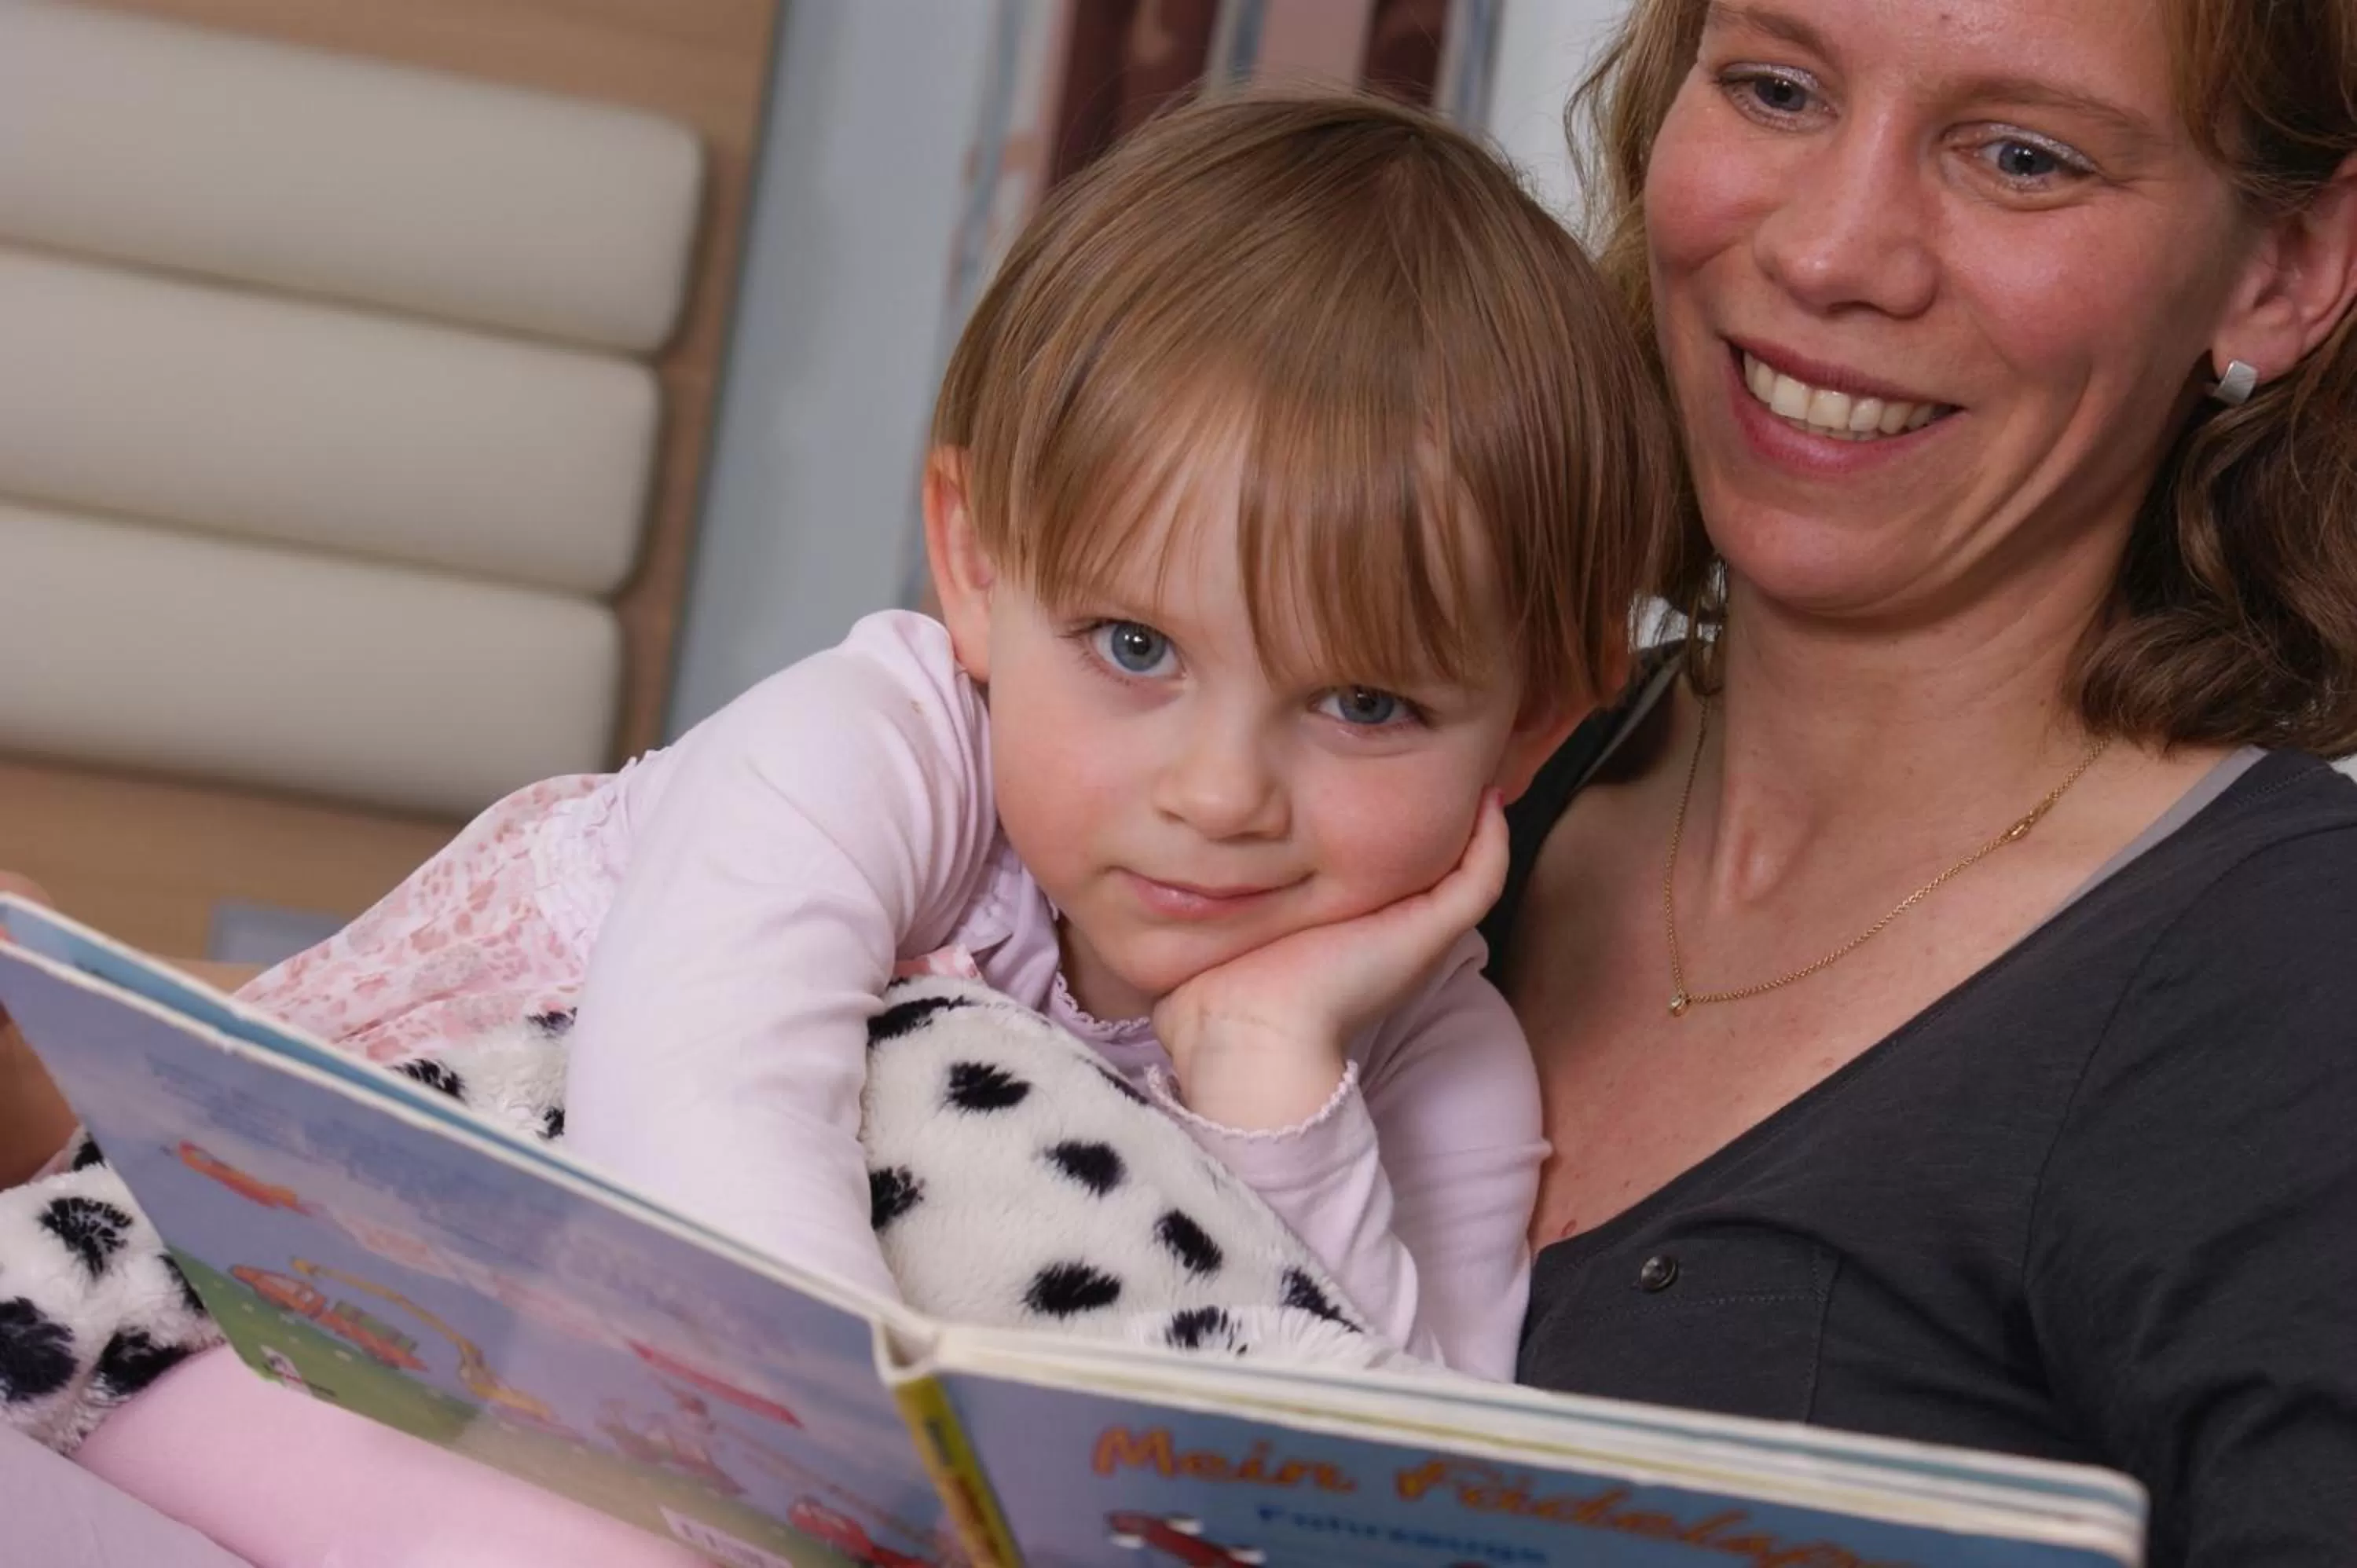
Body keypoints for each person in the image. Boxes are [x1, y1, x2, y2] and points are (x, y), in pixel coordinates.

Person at [5, 90, 1673, 1566]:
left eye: (1365, 705)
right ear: (976, 560)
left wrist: (1272, 1071)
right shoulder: (875, 743)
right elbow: (704, 1127)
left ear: (1532, 719)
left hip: (612, 1443)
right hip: (253, 1303)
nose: (1220, 791)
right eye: (1137, 649)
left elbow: (1383, 1475)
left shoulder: (1443, 1060)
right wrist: (845, 1483)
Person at [1483, 2, 2357, 1563]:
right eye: (1774, 87)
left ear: (2279, 270)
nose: (1832, 252)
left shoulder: (2305, 988)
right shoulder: (1428, 785)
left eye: (2022, 156)